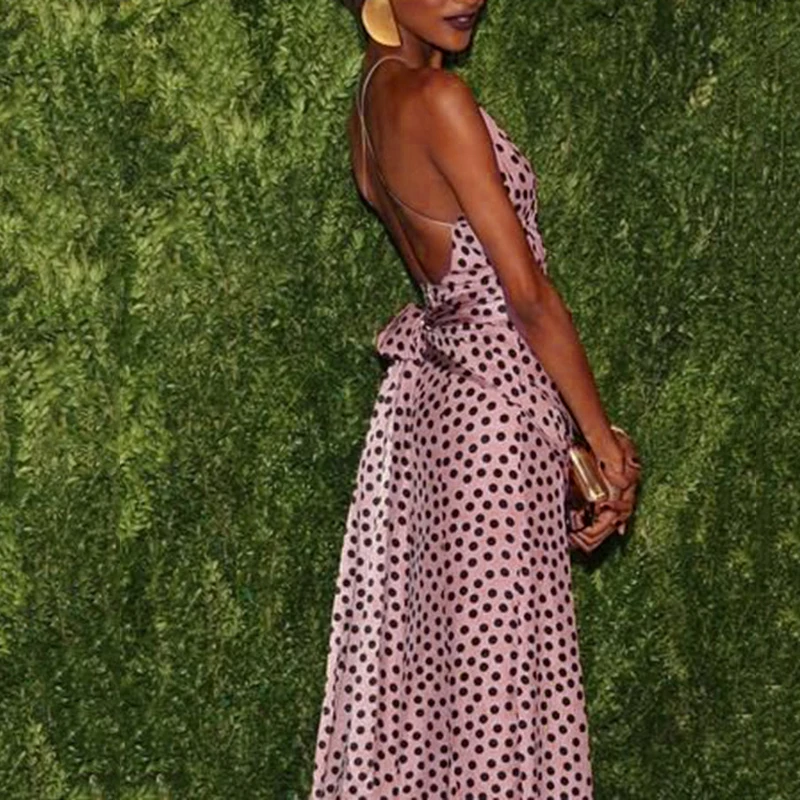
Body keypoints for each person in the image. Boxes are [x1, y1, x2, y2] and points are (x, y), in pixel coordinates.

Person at [310, 1, 641, 797]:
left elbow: (464, 296)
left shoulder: (369, 107)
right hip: (491, 428)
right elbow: (525, 297)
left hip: (435, 412)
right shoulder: (438, 100)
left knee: (441, 703)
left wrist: (566, 442)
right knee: (497, 707)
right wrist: (602, 444)